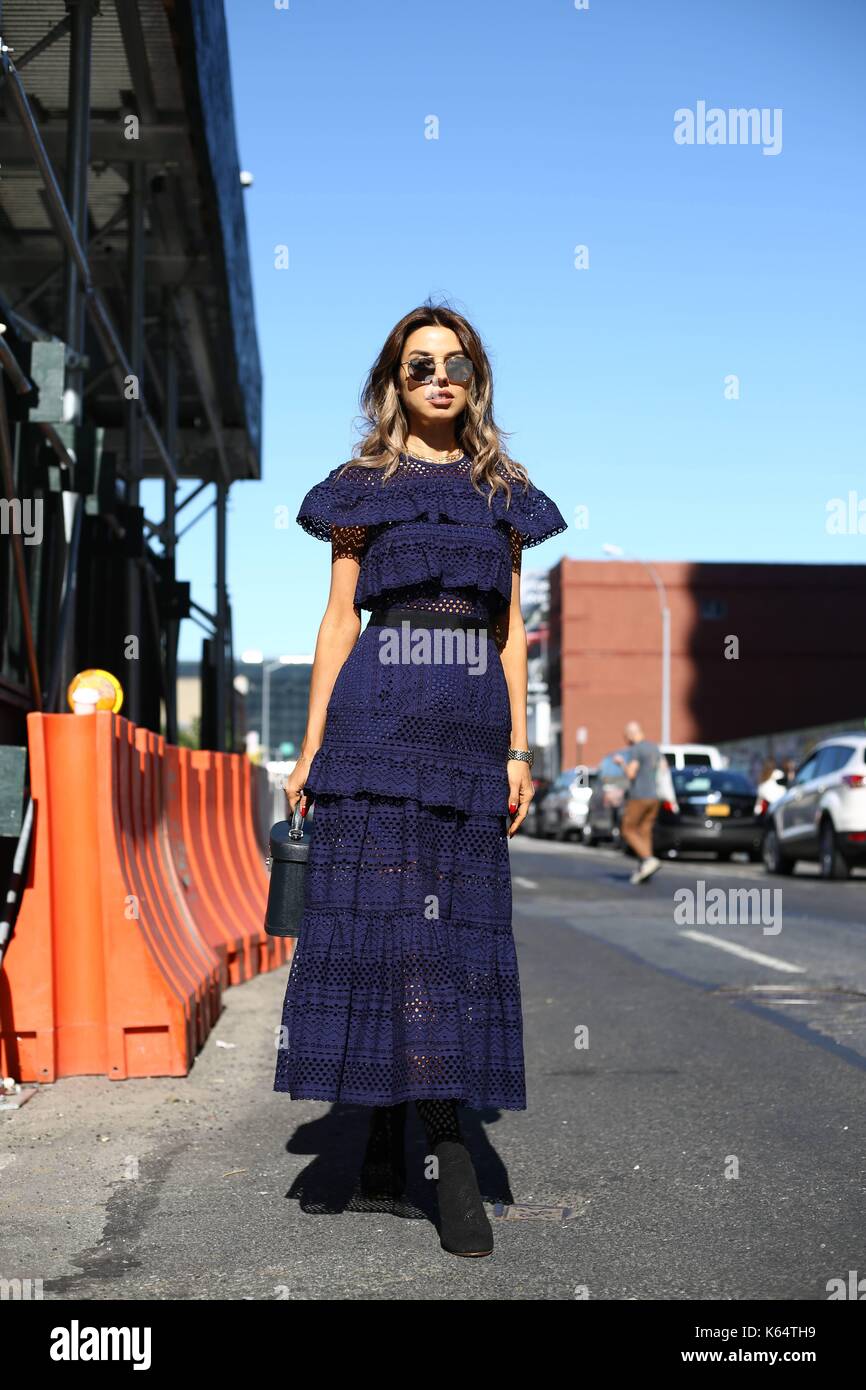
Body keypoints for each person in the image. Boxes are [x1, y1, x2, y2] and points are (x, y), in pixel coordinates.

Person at [274, 302, 567, 1258]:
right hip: (372, 724)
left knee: (450, 942)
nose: (437, 378)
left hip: (470, 739)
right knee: (395, 937)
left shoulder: (504, 493)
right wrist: (310, 749)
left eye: (454, 364)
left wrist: (520, 749)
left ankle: (396, 1152)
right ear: (394, 384)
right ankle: (440, 1152)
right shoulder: (361, 485)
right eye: (417, 367)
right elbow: (335, 624)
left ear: (476, 380)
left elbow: (506, 636)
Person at [613, 721, 662, 884]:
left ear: (630, 734)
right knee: (644, 831)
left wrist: (621, 764)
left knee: (628, 829)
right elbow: (662, 768)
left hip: (639, 795)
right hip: (654, 796)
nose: (626, 741)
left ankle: (648, 860)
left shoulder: (636, 749)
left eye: (625, 737)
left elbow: (631, 774)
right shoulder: (654, 748)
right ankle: (645, 867)